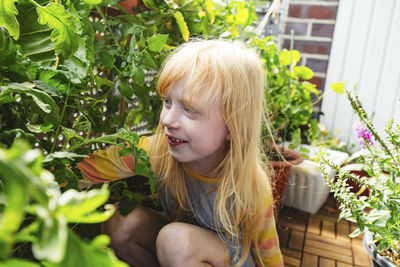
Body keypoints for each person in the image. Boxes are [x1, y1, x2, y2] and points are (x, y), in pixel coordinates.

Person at [78, 39, 283, 267]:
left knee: (175, 241)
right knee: (122, 221)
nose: (167, 120)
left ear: (233, 125)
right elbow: (92, 168)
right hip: (179, 254)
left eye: (189, 109)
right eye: (167, 102)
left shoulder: (251, 185)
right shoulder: (157, 152)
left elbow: (269, 255)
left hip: (228, 260)